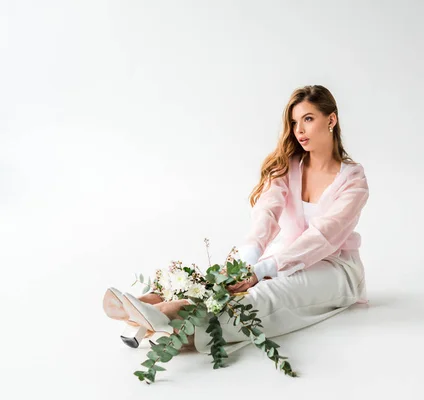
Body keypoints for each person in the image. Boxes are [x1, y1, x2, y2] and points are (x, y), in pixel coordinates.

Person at [103, 84, 370, 354]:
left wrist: (262, 272)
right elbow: (267, 212)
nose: (298, 130)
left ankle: (166, 319)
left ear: (331, 120)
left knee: (263, 296)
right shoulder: (290, 166)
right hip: (286, 255)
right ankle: (148, 305)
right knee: (225, 279)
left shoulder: (353, 181)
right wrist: (248, 262)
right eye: (294, 122)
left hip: (334, 268)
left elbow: (323, 237)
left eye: (308, 119)